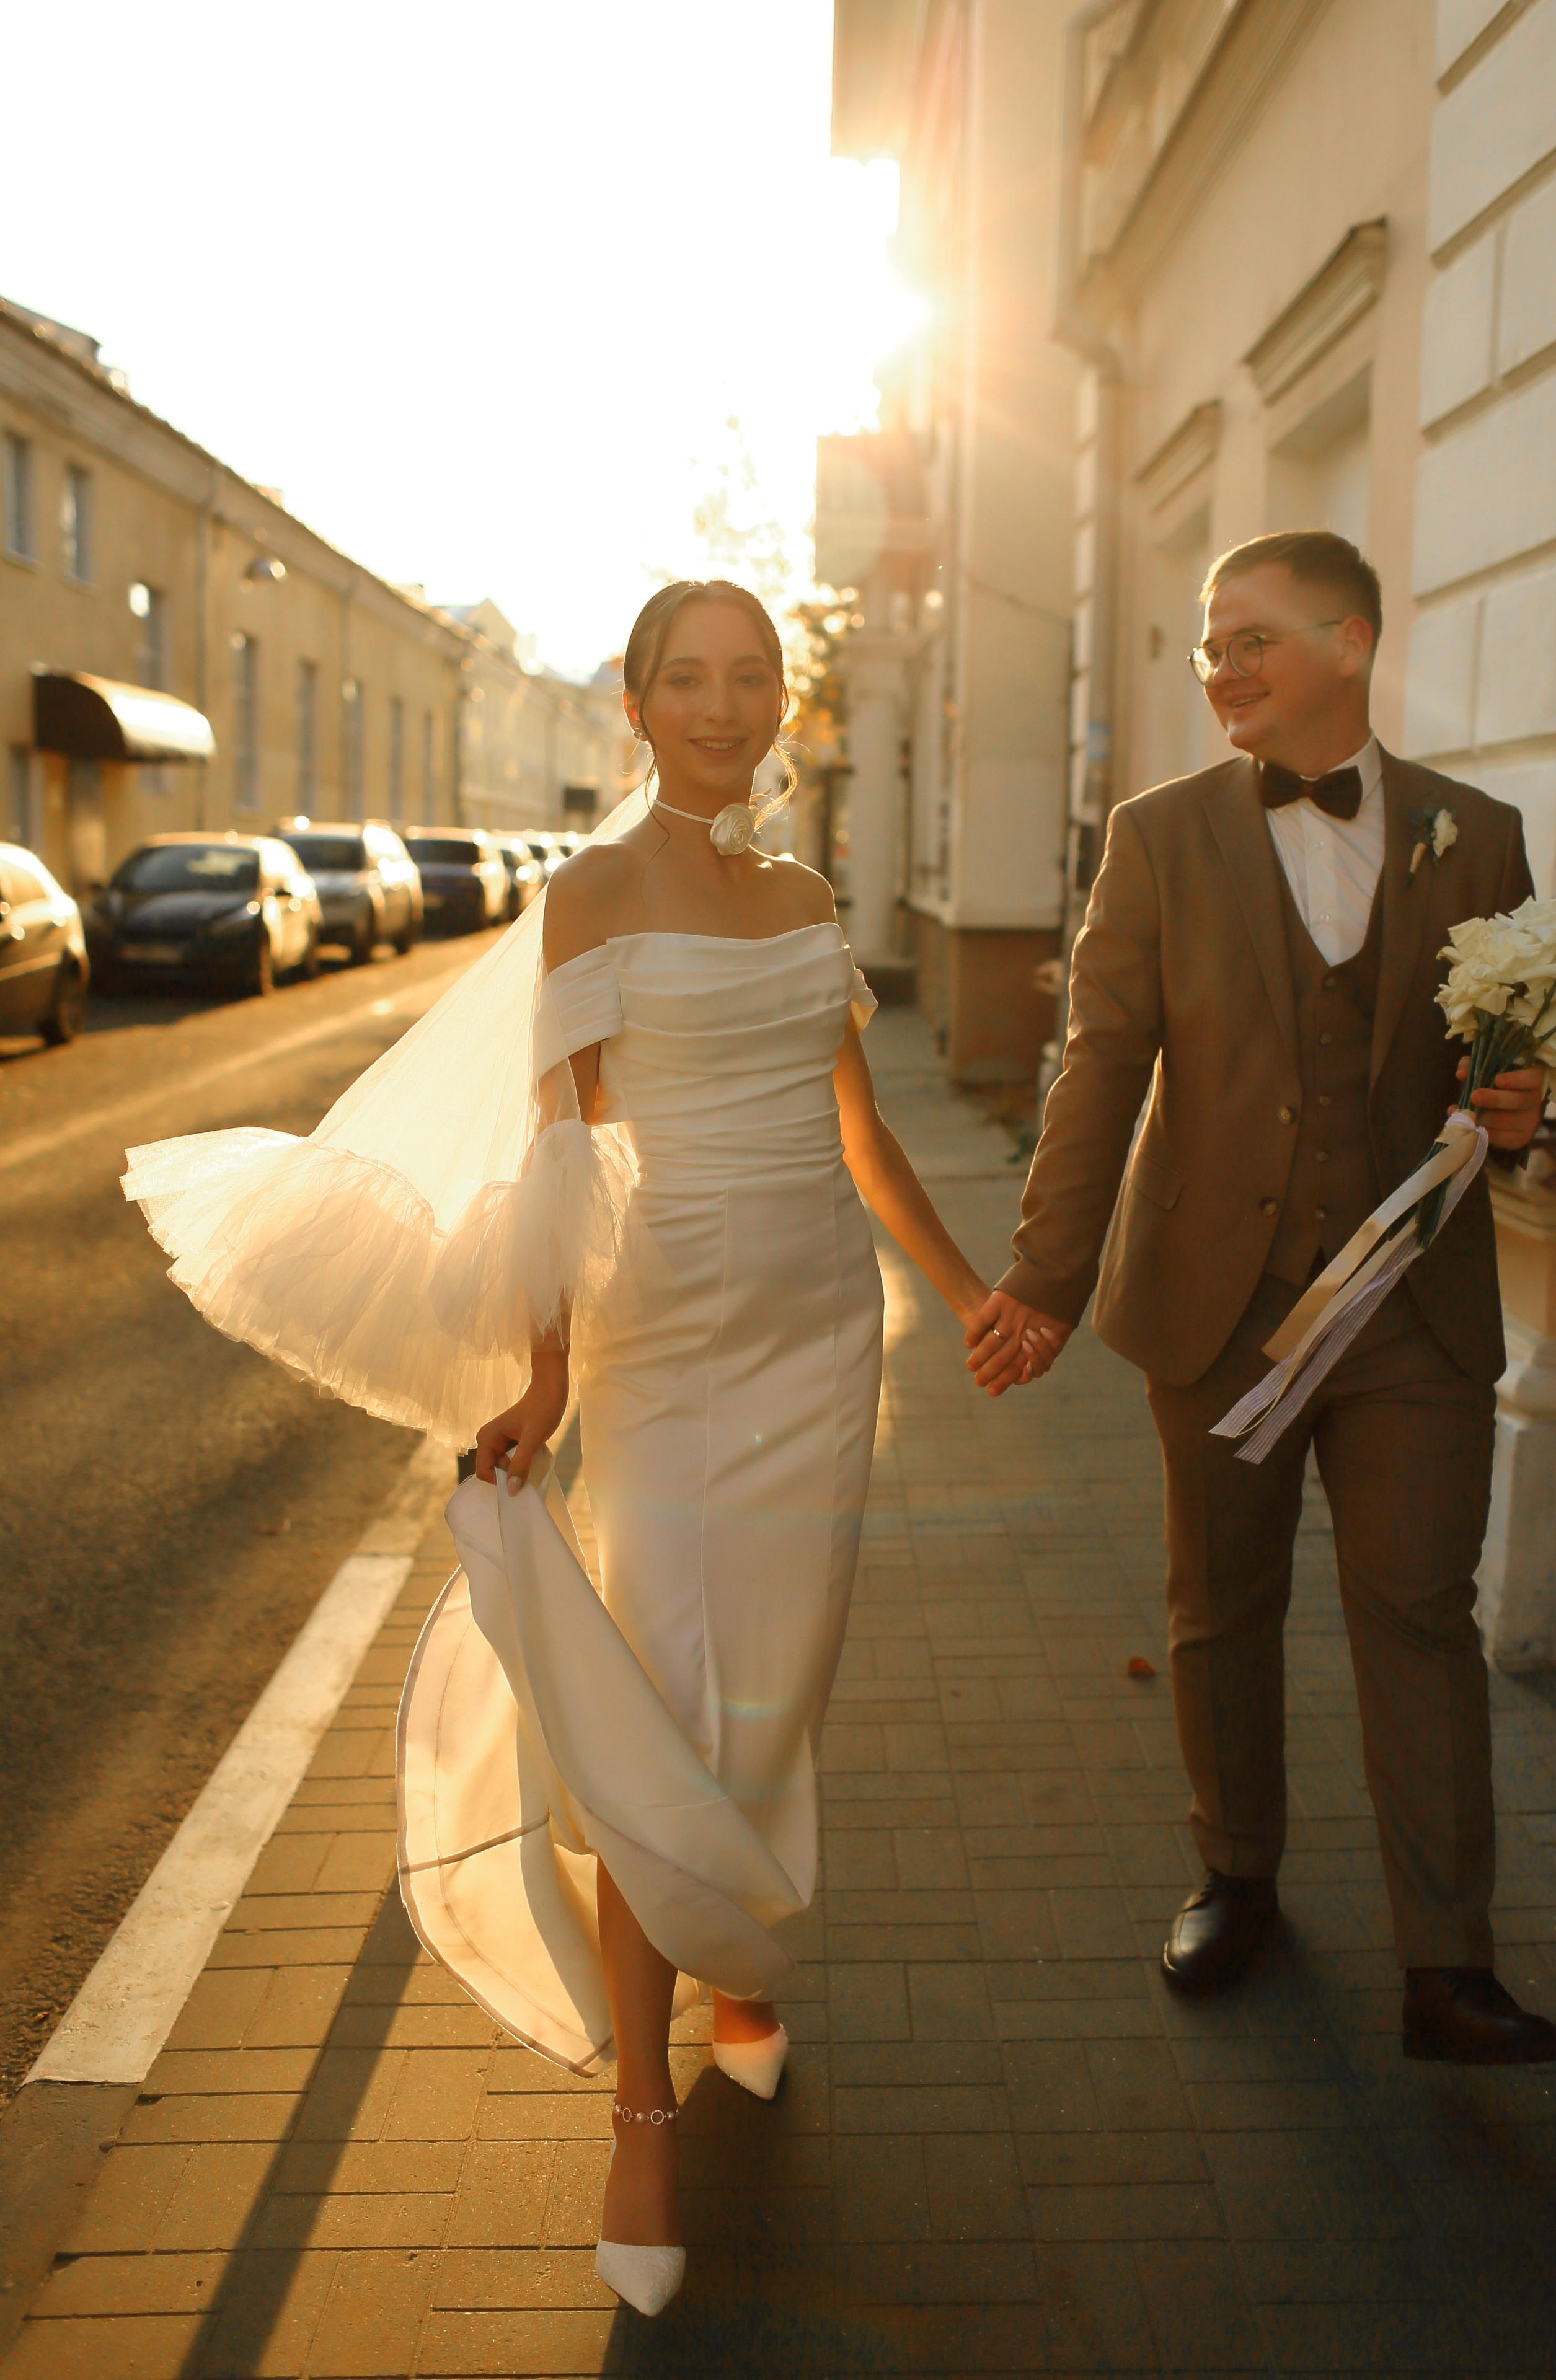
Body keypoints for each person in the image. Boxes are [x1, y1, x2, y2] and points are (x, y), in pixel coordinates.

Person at [125, 579, 1023, 2317]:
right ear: (636, 702)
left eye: (750, 676)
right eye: (686, 678)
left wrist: (977, 1293)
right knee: (663, 1699)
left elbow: (859, 1129)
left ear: (781, 703)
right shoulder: (596, 896)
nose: (721, 702)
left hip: (821, 1336)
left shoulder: (810, 892)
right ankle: (639, 2103)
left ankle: (740, 1961)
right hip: (665, 1341)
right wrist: (543, 1384)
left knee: (774, 1685)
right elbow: (558, 1154)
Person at [965, 531, 1556, 2068]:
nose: (1219, 665)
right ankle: (1234, 1877)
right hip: (1215, 1299)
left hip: (1411, 1316)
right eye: (1206, 644)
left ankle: (1447, 1968)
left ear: (1349, 643)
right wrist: (1040, 1277)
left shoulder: (1476, 836)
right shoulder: (1157, 837)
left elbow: (1506, 1071)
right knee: (1220, 1608)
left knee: (1418, 1616)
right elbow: (1100, 1064)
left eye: (1251, 638)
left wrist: (1520, 1108)